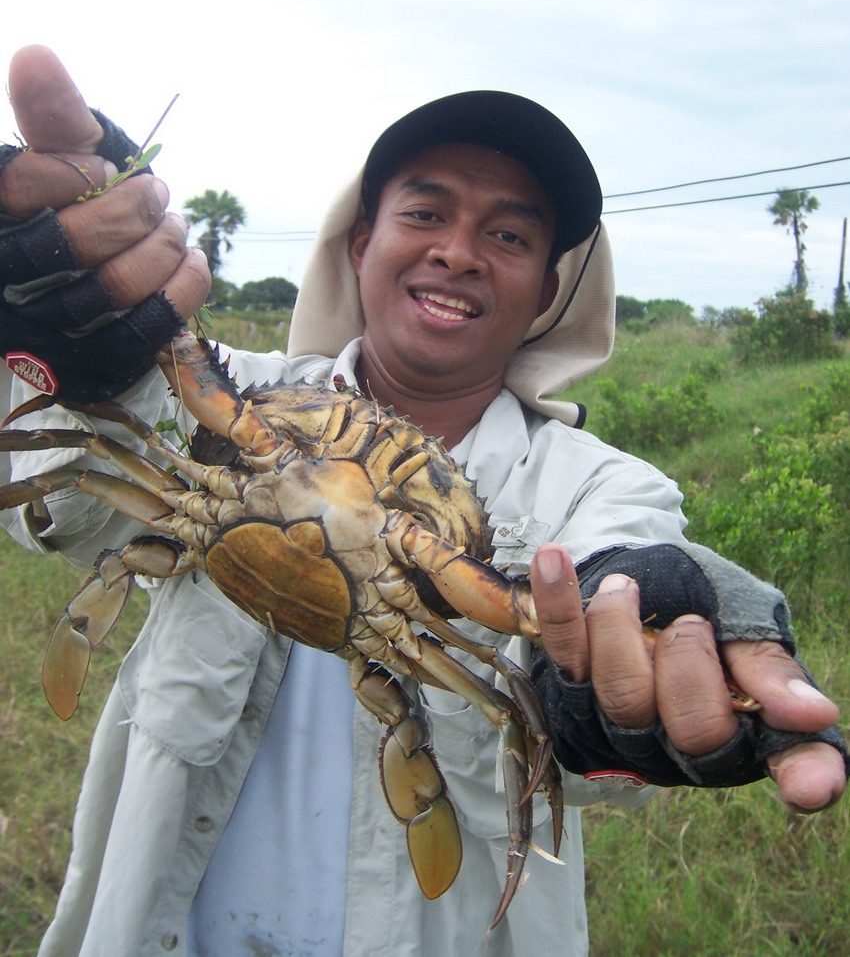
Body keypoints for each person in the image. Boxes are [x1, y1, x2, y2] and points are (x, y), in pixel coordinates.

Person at [0, 46, 845, 957]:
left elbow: (604, 595)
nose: (457, 251)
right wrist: (97, 324)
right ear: (360, 243)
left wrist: (623, 641)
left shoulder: (603, 489)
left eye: (510, 235)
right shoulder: (241, 393)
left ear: (549, 293)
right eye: (425, 212)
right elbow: (75, 475)